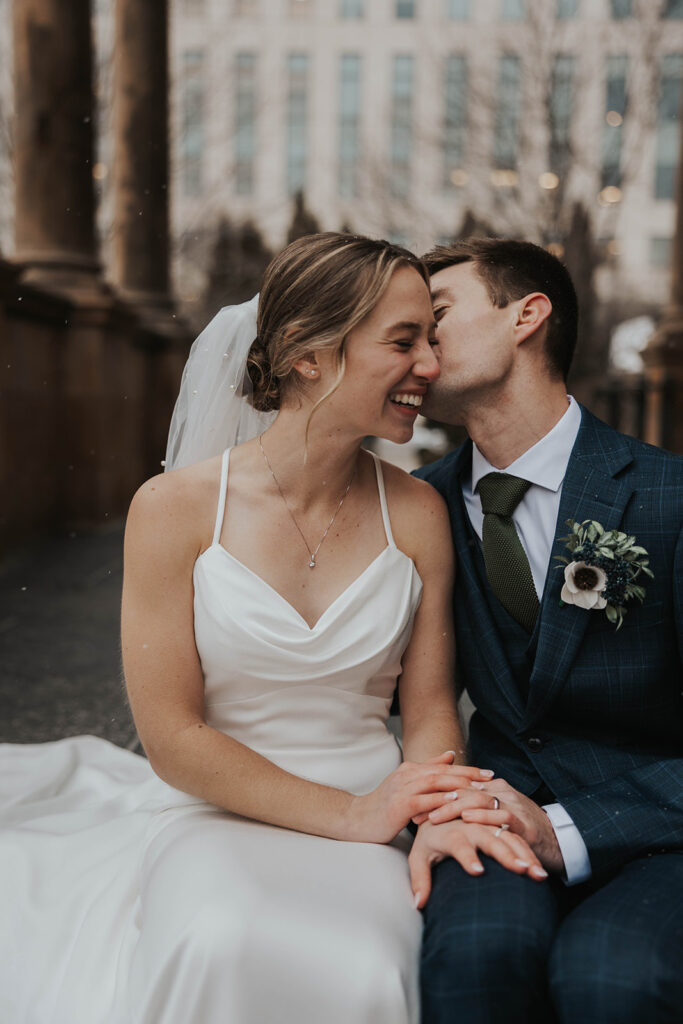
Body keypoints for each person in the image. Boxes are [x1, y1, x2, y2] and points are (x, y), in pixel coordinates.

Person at [0, 232, 545, 1024]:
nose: (429, 364)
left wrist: (433, 812)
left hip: (375, 812)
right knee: (221, 937)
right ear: (306, 354)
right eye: (403, 341)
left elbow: (429, 712)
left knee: (367, 962)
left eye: (430, 337)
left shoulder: (420, 513)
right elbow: (173, 738)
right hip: (214, 811)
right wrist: (349, 815)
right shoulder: (174, 509)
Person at [410, 238, 683, 1024]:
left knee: (611, 976)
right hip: (491, 818)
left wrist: (565, 827)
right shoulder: (413, 511)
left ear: (526, 315)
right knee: (474, 959)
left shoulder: (669, 498)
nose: (416, 349)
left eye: (434, 318)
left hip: (662, 832)